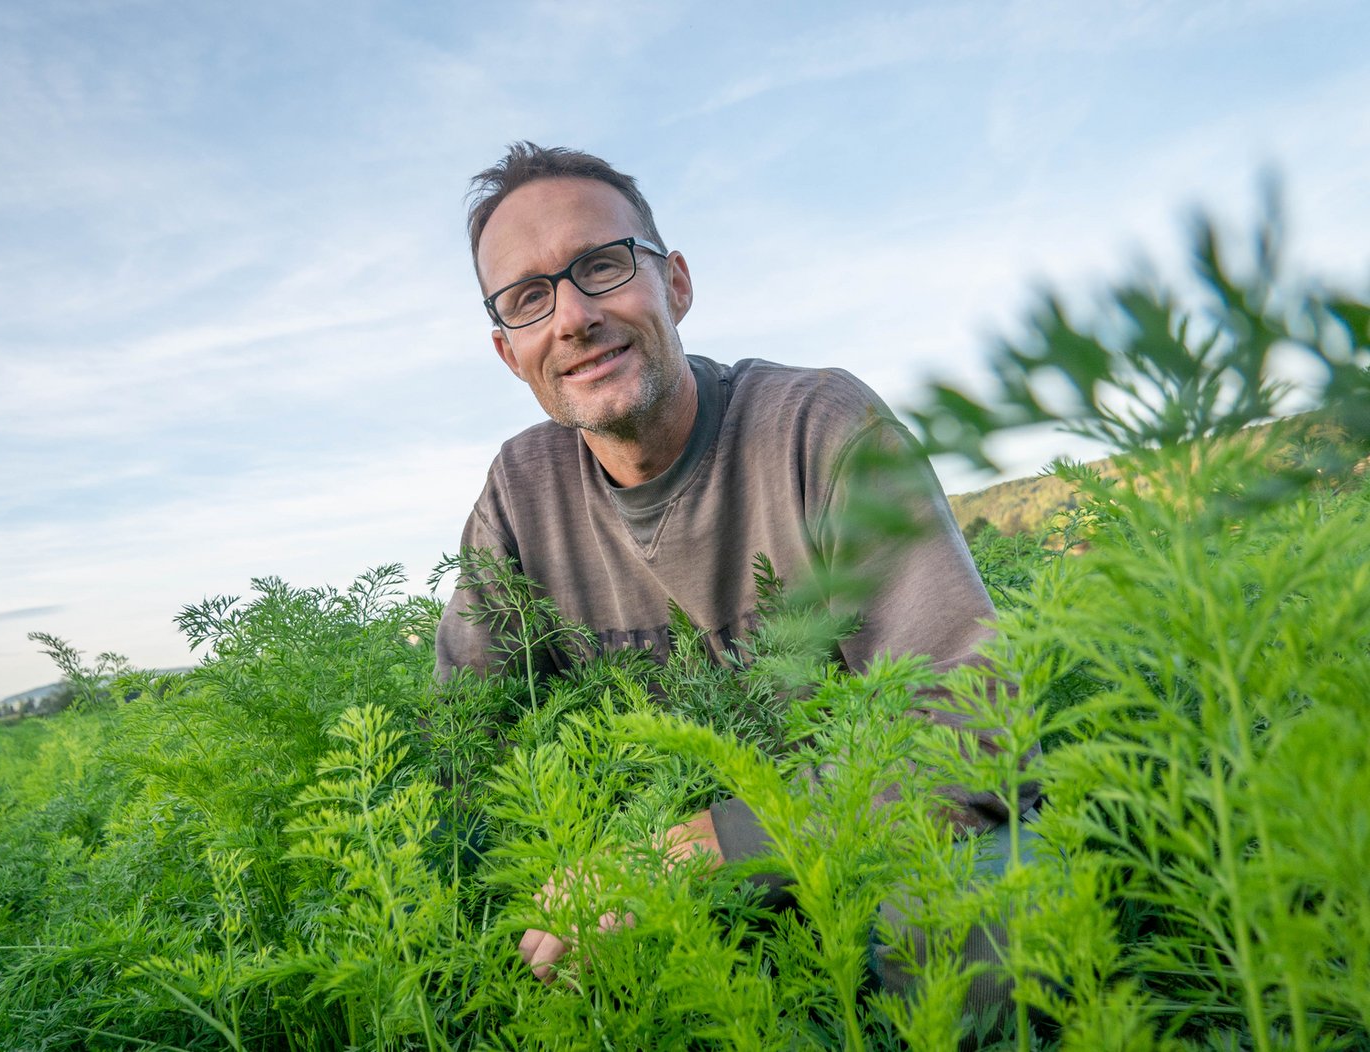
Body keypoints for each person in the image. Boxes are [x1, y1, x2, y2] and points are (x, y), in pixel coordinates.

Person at [435, 142, 1037, 998]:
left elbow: (976, 721)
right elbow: (465, 755)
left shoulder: (816, 427)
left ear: (674, 284)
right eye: (529, 298)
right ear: (509, 350)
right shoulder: (520, 494)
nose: (571, 317)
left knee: (961, 917)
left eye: (601, 266)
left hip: (854, 868)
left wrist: (716, 846)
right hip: (666, 909)